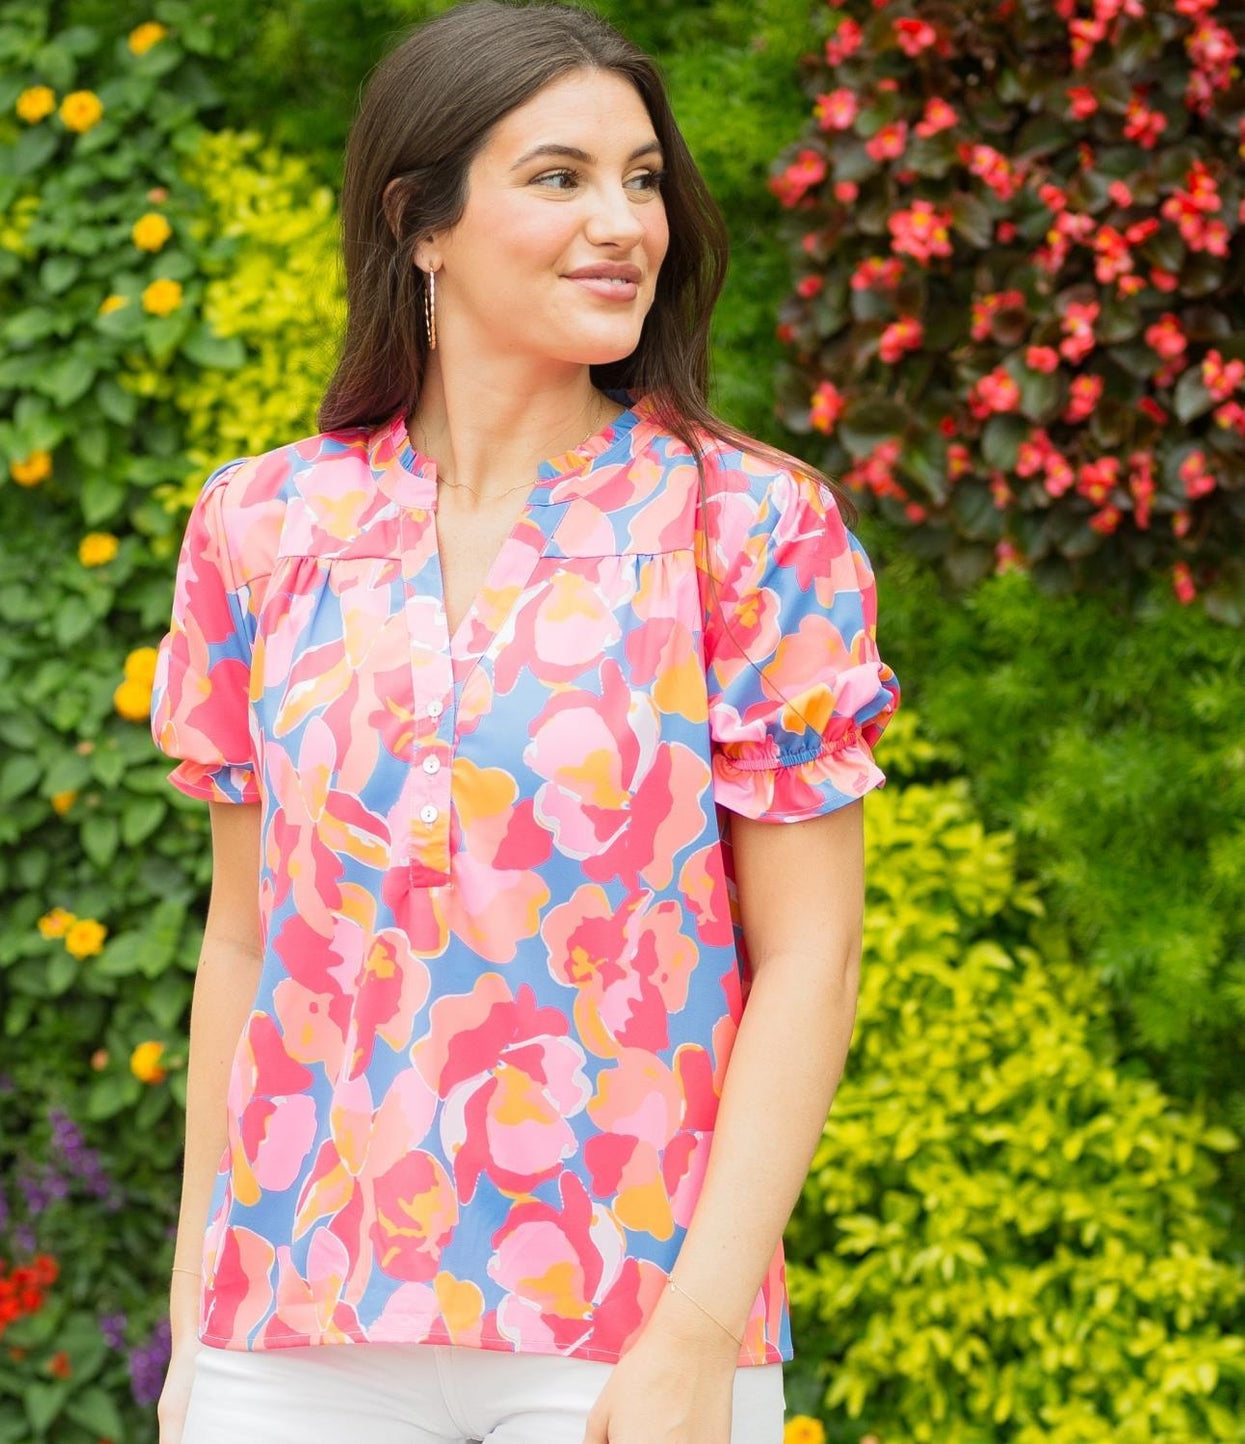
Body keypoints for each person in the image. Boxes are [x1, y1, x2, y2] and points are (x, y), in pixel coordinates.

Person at [149, 3, 899, 1440]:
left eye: (639, 179)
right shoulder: (261, 524)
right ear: (418, 222)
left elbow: (812, 954)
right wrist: (195, 1316)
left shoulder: (747, 528)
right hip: (291, 1320)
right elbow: (244, 937)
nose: (622, 220)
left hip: (627, 1330)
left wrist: (693, 1335)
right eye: (559, 177)